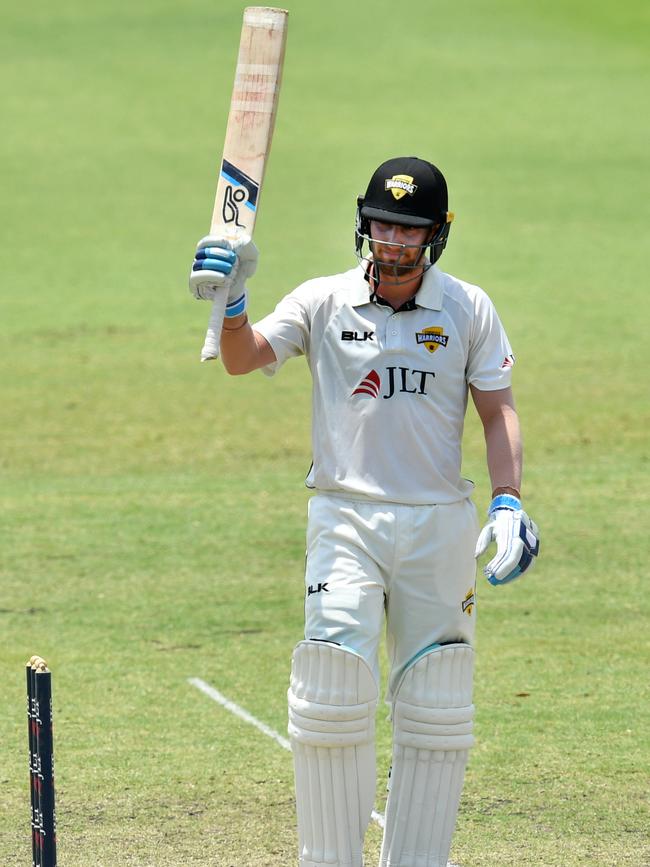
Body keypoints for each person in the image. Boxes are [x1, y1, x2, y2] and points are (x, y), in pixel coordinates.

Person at [189, 156, 540, 867]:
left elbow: (498, 411)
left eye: (408, 231)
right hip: (344, 517)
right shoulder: (323, 299)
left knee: (438, 699)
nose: (391, 242)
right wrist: (232, 300)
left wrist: (509, 499)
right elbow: (241, 357)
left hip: (438, 523)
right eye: (382, 224)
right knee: (332, 681)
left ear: (437, 235)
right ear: (363, 221)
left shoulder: (469, 309)